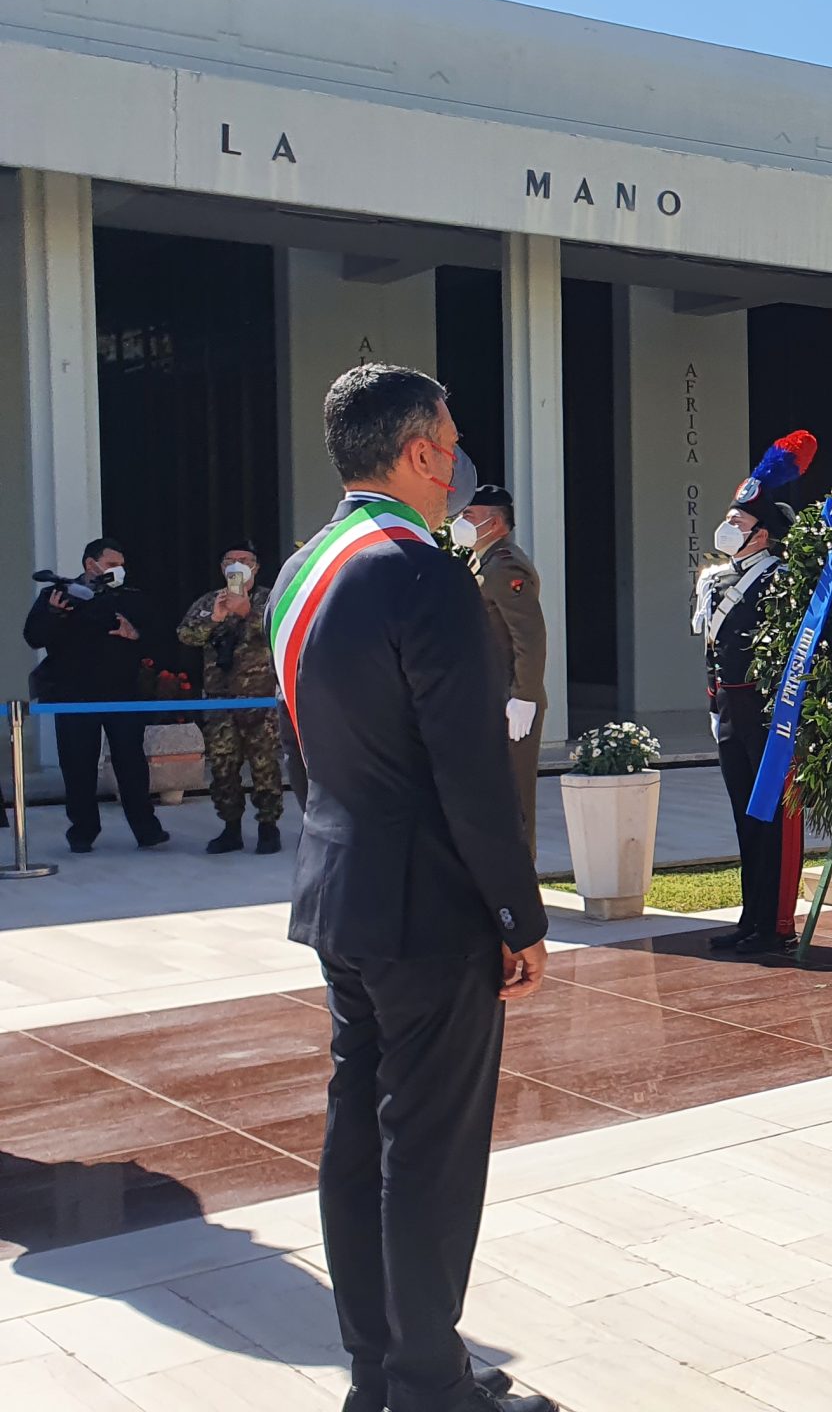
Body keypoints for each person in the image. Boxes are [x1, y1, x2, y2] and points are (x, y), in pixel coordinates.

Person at [274, 363, 551, 1412]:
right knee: (428, 1159)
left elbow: (304, 748)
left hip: (341, 891)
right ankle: (432, 1388)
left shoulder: (308, 567)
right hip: (428, 912)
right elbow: (472, 773)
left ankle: (377, 1370)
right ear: (421, 451)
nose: (459, 466)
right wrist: (518, 917)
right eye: (451, 442)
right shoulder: (422, 572)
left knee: (360, 1142)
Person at [694, 431, 814, 957]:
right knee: (745, 818)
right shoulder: (718, 581)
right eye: (730, 520)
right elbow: (711, 652)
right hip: (731, 712)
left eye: (740, 523)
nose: (729, 529)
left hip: (771, 714)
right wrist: (715, 702)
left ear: (762, 535)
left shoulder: (780, 581)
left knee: (775, 823)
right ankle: (751, 917)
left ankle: (777, 923)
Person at [22, 536, 169, 853]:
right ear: (91, 564)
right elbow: (34, 637)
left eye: (121, 565)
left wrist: (136, 634)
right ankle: (83, 831)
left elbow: (160, 641)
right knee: (77, 766)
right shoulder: (57, 595)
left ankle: (146, 829)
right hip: (73, 696)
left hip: (122, 694)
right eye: (113, 564)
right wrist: (53, 614)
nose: (119, 570)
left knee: (131, 764)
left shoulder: (131, 598)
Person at [451, 487, 546, 851]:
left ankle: (521, 887)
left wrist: (525, 695)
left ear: (496, 523)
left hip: (511, 701)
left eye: (470, 517)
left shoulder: (505, 565)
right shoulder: (482, 562)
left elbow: (529, 636)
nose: (461, 523)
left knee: (513, 801)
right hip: (488, 697)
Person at [175, 541, 285, 854]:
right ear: (223, 568)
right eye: (230, 560)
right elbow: (186, 635)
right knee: (223, 767)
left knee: (265, 767)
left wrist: (248, 612)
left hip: (261, 700)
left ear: (256, 566)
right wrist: (216, 617)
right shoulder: (210, 601)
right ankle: (230, 828)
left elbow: (277, 631)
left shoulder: (270, 599)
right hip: (220, 701)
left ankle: (268, 826)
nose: (237, 565)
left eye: (244, 560)